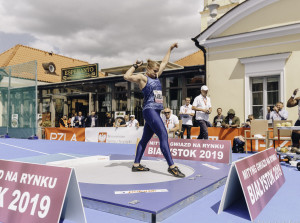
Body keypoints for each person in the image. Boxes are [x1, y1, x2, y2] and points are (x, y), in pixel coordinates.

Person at [123, 43, 185, 178]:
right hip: (149, 110)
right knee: (163, 134)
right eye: (155, 71)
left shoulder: (156, 76)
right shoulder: (143, 78)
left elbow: (164, 62)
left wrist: (170, 48)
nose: (157, 73)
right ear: (148, 69)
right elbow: (126, 77)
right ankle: (172, 167)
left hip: (155, 112)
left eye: (157, 71)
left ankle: (136, 165)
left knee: (145, 139)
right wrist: (134, 66)